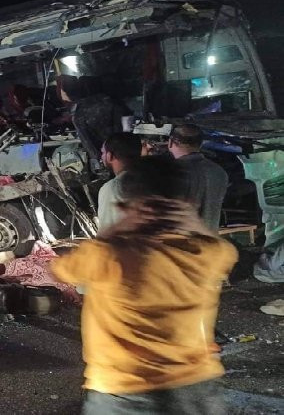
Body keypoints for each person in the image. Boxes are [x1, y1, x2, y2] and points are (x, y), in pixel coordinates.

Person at [51, 155, 238, 414]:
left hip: (125, 390)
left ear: (128, 206)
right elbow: (223, 249)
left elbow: (62, 270)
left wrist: (117, 226)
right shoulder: (208, 253)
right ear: (186, 203)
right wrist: (192, 219)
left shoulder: (109, 255)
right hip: (196, 388)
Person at [168, 124, 228, 231]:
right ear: (200, 143)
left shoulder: (173, 172)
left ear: (171, 142)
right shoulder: (219, 172)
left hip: (181, 239)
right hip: (210, 238)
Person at [97, 133, 142, 231]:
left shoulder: (112, 188)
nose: (101, 157)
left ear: (110, 156)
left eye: (103, 153)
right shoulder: (152, 180)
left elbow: (106, 232)